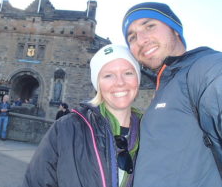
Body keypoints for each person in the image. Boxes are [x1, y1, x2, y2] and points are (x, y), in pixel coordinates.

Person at [121, 2, 222, 187]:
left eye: (149, 26)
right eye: (132, 37)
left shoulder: (206, 69)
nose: (141, 39)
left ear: (175, 30)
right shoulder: (166, 87)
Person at [23, 44, 142, 187]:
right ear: (98, 84)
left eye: (128, 73)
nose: (120, 82)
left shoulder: (153, 132)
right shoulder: (66, 129)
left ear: (138, 78)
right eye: (108, 75)